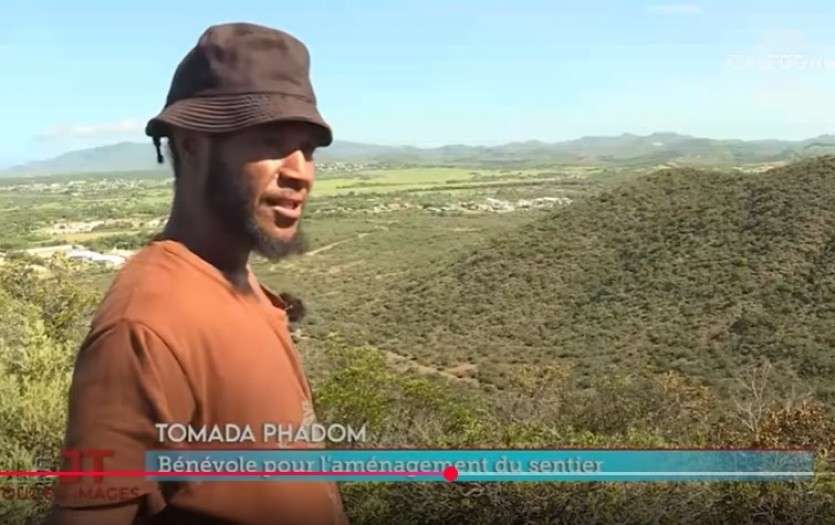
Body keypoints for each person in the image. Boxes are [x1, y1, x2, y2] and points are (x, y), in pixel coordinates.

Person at [46, 22, 348, 525]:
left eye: (310, 149)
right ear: (190, 145)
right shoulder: (144, 329)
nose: (300, 171)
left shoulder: (238, 284)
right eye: (271, 140)